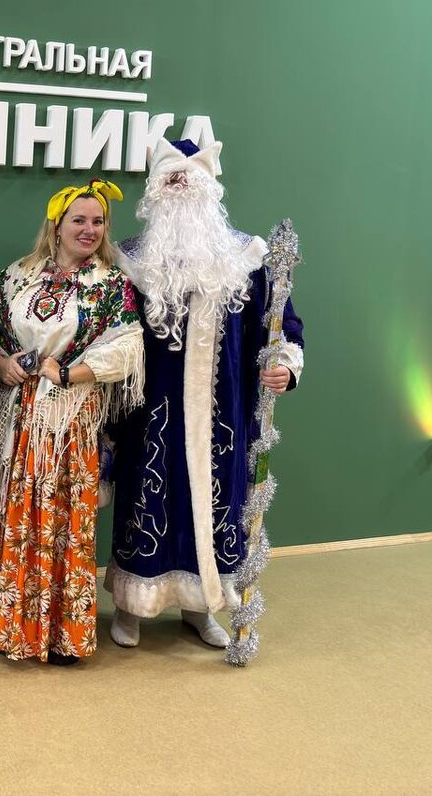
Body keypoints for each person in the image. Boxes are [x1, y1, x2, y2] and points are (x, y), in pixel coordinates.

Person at [105, 139, 305, 649]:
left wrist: (284, 364)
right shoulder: (128, 259)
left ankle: (201, 606)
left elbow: (280, 324)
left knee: (217, 508)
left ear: (210, 188)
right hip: (148, 412)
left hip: (223, 416)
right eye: (170, 180)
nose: (180, 188)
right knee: (146, 499)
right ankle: (131, 607)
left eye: (189, 179)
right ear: (154, 190)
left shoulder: (246, 257)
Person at [0, 181, 144, 664]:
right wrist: (1, 362)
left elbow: (129, 347)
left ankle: (61, 632)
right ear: (57, 225)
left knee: (63, 518)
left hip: (68, 420)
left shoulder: (111, 284)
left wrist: (69, 373)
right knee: (13, 511)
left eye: (98, 221)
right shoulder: (19, 276)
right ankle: (11, 620)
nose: (89, 230)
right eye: (79, 220)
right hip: (16, 416)